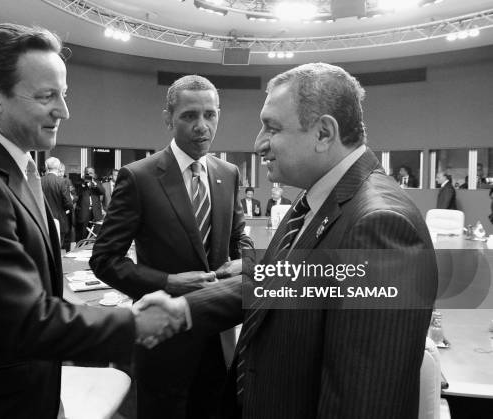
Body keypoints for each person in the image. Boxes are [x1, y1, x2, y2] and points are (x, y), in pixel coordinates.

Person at [0, 23, 176, 419]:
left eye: (63, 94)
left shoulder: (17, 169)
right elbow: (26, 320)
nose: (64, 110)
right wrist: (135, 323)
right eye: (47, 96)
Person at [138, 63, 437, 419]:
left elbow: (360, 401)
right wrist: (185, 309)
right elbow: (278, 283)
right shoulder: (316, 196)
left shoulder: (380, 228)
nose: (258, 143)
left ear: (324, 133)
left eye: (272, 127)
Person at [90, 74, 254, 419]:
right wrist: (168, 282)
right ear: (168, 118)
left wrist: (245, 261)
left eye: (210, 115)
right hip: (164, 337)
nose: (202, 126)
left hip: (218, 333)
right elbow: (105, 259)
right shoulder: (139, 176)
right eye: (189, 116)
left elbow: (240, 236)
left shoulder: (228, 173)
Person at [41, 156, 72, 249]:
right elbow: (69, 203)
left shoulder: (39, 180)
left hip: (43, 219)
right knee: (57, 249)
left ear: (46, 166)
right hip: (59, 219)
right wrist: (65, 210)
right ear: (58, 167)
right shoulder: (62, 182)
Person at [74, 166, 105, 241]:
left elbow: (102, 191)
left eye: (90, 173)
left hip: (95, 213)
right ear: (84, 174)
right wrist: (84, 185)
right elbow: (77, 193)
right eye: (87, 173)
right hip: (83, 212)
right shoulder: (79, 182)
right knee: (82, 234)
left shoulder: (97, 183)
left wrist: (94, 184)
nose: (89, 174)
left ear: (94, 174)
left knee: (95, 235)